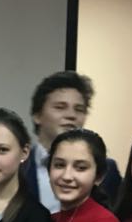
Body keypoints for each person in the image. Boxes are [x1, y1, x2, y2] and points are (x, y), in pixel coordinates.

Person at [19, 70, 121, 213]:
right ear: (37, 115)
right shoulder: (16, 167)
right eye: (60, 107)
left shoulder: (106, 170)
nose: (71, 115)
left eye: (79, 109)